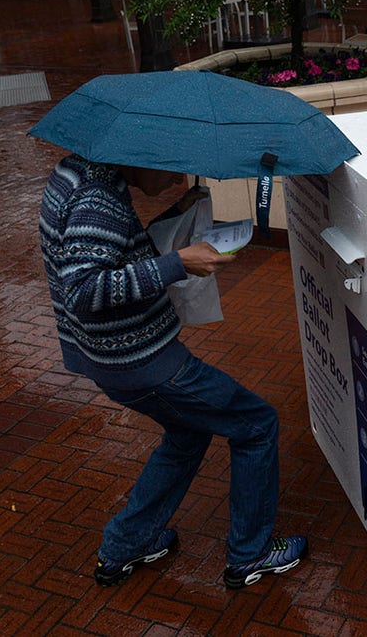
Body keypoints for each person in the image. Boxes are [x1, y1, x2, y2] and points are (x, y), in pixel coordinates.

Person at [39, 153, 307, 589]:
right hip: (142, 362)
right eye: (168, 167)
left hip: (109, 357)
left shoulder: (77, 172)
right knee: (256, 424)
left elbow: (106, 254)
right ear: (139, 155)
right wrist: (177, 263)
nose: (173, 178)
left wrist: (175, 217)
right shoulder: (98, 199)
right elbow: (85, 289)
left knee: (188, 432)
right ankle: (249, 554)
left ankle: (127, 545)